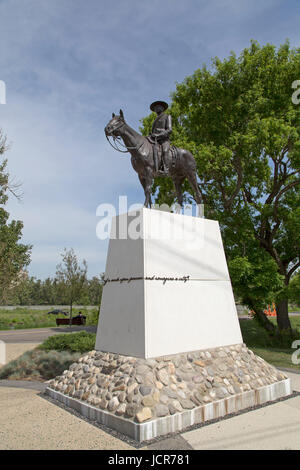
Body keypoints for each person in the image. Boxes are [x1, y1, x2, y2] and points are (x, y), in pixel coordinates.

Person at [149, 101, 172, 174]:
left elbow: (169, 130)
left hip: (164, 140)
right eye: (155, 108)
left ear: (162, 108)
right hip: (155, 140)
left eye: (158, 107)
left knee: (165, 151)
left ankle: (166, 169)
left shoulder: (167, 116)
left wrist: (159, 135)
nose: (156, 108)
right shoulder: (155, 120)